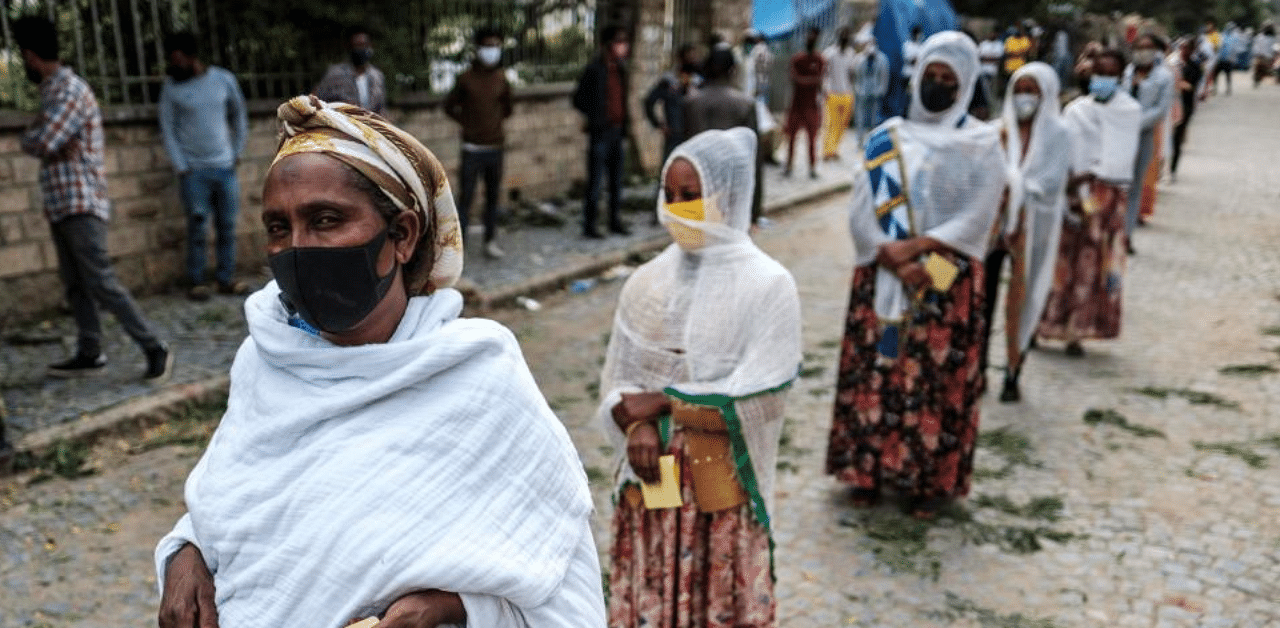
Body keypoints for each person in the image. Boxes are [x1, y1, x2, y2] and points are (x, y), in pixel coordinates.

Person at [154, 96, 605, 628]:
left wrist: (457, 609)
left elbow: (558, 589)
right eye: (279, 228)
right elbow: (227, 503)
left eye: (326, 220)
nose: (299, 248)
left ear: (403, 235)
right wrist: (183, 552)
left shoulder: (477, 375)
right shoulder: (265, 360)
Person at [600, 127, 801, 628]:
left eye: (691, 196)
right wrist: (639, 425)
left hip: (719, 494)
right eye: (669, 195)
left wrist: (665, 403)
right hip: (651, 485)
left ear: (727, 197)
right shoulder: (646, 282)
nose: (676, 208)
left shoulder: (768, 285)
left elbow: (762, 397)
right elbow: (619, 384)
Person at [826, 31, 1005, 518]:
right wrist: (891, 254)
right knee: (878, 367)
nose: (939, 85)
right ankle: (865, 470)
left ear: (967, 85)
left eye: (950, 79)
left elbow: (978, 216)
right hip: (883, 267)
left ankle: (926, 481)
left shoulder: (982, 144)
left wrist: (920, 250)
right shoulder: (887, 137)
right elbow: (861, 208)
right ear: (918, 74)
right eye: (933, 75)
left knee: (933, 372)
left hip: (948, 270)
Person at [16, 17, 172, 382]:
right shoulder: (52, 93)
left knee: (101, 281)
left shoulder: (69, 90)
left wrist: (41, 134)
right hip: (60, 202)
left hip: (81, 202)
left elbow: (41, 142)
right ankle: (90, 351)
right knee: (75, 284)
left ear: (30, 55)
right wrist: (42, 135)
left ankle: (153, 346)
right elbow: (41, 141)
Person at [1037, 49, 1140, 357]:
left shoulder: (1129, 111)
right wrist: (1070, 179)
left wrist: (1091, 175)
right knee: (1061, 260)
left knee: (1094, 263)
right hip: (1070, 193)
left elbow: (1120, 156)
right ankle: (1044, 324)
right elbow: (1062, 147)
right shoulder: (1076, 109)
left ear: (1120, 77)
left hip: (1106, 197)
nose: (1101, 79)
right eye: (1097, 73)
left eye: (1109, 74)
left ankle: (1079, 331)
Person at [979, 62, 1070, 403]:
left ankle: (1013, 371)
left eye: (1031, 91)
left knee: (1023, 299)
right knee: (982, 299)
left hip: (1034, 230)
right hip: (993, 229)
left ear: (1045, 94)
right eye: (1018, 90)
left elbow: (1050, 183)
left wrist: (1014, 190)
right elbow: (984, 175)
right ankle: (979, 369)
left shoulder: (1059, 134)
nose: (1024, 98)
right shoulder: (995, 131)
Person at [159, 31, 250, 301]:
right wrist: (181, 166)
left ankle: (226, 278)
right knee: (197, 228)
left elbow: (239, 116)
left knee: (227, 226)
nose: (174, 65)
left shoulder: (223, 80)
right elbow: (168, 128)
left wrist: (237, 152)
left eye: (178, 59)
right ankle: (197, 281)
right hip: (194, 172)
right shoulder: (171, 88)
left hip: (225, 168)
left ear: (191, 57)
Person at [444, 25, 513, 260]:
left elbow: (507, 107)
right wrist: (468, 123)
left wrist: (493, 124)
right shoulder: (465, 79)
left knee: (493, 198)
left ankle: (490, 241)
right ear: (478, 48)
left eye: (496, 46)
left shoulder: (502, 78)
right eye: (487, 45)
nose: (492, 50)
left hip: (495, 147)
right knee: (466, 198)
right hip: (472, 148)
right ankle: (458, 246)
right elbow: (449, 106)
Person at [683, 47, 761, 222]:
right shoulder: (745, 105)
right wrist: (754, 210)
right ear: (732, 70)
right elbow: (754, 160)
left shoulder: (691, 103)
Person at [573, 25, 633, 239]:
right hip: (600, 133)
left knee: (616, 181)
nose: (622, 46)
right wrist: (595, 116)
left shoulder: (622, 69)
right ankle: (590, 225)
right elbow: (578, 99)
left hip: (617, 131)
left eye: (624, 42)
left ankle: (614, 220)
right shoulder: (594, 69)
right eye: (618, 41)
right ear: (607, 45)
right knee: (596, 182)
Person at [1122, 34, 1174, 244]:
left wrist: (1135, 123)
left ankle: (1127, 234)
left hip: (1143, 135)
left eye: (1148, 48)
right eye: (1139, 47)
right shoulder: (1126, 72)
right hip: (1119, 134)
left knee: (1135, 185)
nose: (1143, 52)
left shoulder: (1164, 77)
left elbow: (1160, 110)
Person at [644, 43, 702, 161]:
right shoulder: (668, 81)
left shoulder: (699, 82)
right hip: (674, 134)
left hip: (694, 135)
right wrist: (658, 124)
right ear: (680, 59)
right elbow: (649, 101)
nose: (692, 60)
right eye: (688, 57)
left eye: (694, 57)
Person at [314, 26, 386, 116]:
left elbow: (381, 108)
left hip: (369, 127)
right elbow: (318, 101)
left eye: (364, 45)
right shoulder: (334, 74)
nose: (361, 50)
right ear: (349, 48)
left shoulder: (377, 76)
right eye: (357, 46)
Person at [784, 27, 824, 178]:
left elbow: (817, 81)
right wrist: (811, 81)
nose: (810, 39)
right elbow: (795, 79)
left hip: (811, 106)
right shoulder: (798, 59)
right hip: (796, 105)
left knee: (812, 139)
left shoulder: (819, 59)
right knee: (791, 138)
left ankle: (812, 167)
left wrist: (804, 81)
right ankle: (789, 165)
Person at [742, 30, 781, 165]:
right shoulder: (747, 56)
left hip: (756, 95)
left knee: (764, 127)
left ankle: (764, 155)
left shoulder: (756, 53)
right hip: (754, 95)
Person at [1168, 39, 1204, 182]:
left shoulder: (1195, 67)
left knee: (1177, 138)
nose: (1183, 51)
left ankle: (1173, 169)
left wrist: (1177, 83)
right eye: (1181, 48)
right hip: (1170, 105)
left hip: (1185, 106)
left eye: (1186, 48)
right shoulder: (1172, 63)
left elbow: (1189, 86)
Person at [821, 26, 858, 160]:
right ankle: (827, 151)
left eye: (847, 35)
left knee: (842, 124)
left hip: (847, 93)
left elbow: (852, 74)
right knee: (830, 123)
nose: (845, 37)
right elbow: (823, 73)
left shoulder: (851, 54)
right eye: (843, 34)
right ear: (838, 36)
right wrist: (824, 89)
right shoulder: (829, 53)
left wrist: (853, 90)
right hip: (832, 93)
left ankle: (834, 149)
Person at [851, 32, 890, 145]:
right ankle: (859, 141)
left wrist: (882, 90)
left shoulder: (882, 58)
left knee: (874, 117)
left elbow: (884, 76)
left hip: (875, 91)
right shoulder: (859, 58)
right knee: (860, 117)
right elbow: (855, 74)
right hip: (862, 90)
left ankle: (872, 141)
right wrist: (856, 89)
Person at [899, 26, 923, 114]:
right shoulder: (908, 45)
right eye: (918, 34)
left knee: (914, 97)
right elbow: (910, 60)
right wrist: (917, 60)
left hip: (916, 75)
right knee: (906, 96)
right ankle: (903, 114)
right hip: (908, 75)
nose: (919, 36)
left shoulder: (920, 46)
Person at [978, 30, 1005, 106]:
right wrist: (991, 59)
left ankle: (993, 107)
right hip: (983, 71)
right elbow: (979, 57)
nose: (992, 34)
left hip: (994, 72)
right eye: (991, 33)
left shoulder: (999, 44)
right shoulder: (983, 44)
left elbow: (999, 59)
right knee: (984, 92)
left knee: (993, 92)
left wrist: (987, 59)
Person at [1214, 24, 1240, 95]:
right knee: (1216, 75)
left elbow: (1234, 50)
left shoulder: (1234, 37)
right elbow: (1217, 47)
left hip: (1228, 60)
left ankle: (1228, 89)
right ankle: (1214, 88)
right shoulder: (1221, 36)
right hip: (1220, 59)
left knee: (1228, 75)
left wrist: (1233, 59)